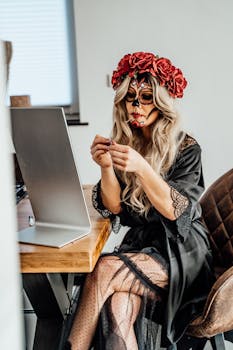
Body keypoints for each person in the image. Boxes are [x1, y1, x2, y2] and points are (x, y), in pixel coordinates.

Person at [64, 52, 215, 350]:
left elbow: (177, 211)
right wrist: (106, 167)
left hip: (182, 254)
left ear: (161, 103)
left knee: (104, 269)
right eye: (129, 97)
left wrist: (143, 168)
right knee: (117, 307)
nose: (136, 105)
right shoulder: (128, 141)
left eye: (146, 97)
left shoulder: (186, 148)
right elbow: (115, 207)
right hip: (142, 250)